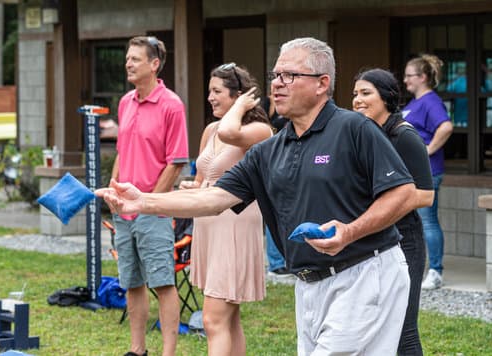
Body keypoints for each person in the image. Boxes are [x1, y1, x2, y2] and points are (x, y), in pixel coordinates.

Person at [97, 37, 418, 355]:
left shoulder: (354, 129)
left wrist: (350, 231)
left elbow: (403, 193)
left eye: (289, 76)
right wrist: (143, 201)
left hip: (364, 272)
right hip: (308, 283)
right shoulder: (269, 151)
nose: (277, 84)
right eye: (276, 76)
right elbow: (212, 198)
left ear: (322, 83)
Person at [179, 63, 271, 355]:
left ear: (239, 96)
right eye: (209, 91)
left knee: (212, 319)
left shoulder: (259, 130)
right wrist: (192, 189)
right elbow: (202, 178)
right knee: (228, 319)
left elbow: (232, 134)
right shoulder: (210, 130)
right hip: (209, 225)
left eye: (217, 91)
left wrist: (241, 108)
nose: (210, 97)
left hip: (235, 225)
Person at [110, 36, 189, 356]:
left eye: (135, 59)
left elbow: (177, 161)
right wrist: (113, 189)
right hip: (122, 210)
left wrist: (148, 202)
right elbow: (120, 151)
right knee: (132, 282)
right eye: (127, 58)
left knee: (163, 283)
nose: (128, 63)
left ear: (154, 64)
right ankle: (137, 350)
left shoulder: (172, 104)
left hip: (153, 210)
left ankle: (168, 353)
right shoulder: (125, 101)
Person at [353, 68, 434, 356]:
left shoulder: (404, 136)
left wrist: (382, 209)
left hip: (404, 242)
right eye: (355, 94)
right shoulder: (365, 134)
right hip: (373, 241)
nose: (357, 100)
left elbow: (425, 195)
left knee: (403, 329)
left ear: (386, 97)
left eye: (365, 93)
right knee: (374, 326)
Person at [403, 54, 454, 290]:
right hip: (412, 174)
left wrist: (427, 150)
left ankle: (435, 271)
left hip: (428, 172)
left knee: (428, 221)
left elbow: (446, 126)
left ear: (422, 77)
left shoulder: (430, 101)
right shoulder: (415, 102)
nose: (405, 81)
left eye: (409, 76)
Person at [260, 93, 288, 276]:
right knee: (274, 216)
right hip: (270, 167)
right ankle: (276, 262)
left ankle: (284, 260)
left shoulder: (287, 110)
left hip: (285, 166)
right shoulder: (266, 110)